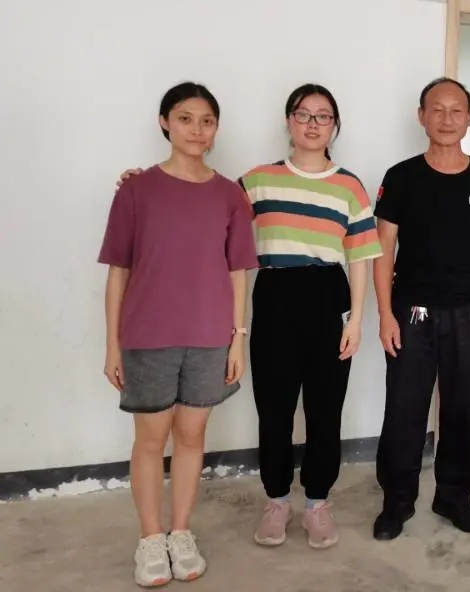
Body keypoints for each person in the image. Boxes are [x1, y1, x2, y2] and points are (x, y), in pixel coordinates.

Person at [114, 84, 381, 552]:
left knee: (326, 408)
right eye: (303, 114)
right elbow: (202, 203)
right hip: (274, 295)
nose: (313, 124)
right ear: (288, 121)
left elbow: (360, 256)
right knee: (274, 408)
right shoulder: (256, 181)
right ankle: (276, 500)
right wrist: (138, 184)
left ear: (335, 125)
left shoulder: (349, 186)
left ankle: (317, 503)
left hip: (327, 298)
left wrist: (357, 319)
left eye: (323, 116)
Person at [98, 82, 258, 588]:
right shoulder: (136, 190)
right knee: (150, 440)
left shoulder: (230, 194)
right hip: (147, 335)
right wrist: (112, 344)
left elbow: (238, 271)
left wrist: (237, 337)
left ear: (216, 129)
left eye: (207, 121)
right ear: (165, 122)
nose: (196, 129)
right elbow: (119, 271)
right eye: (185, 118)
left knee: (192, 437)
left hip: (209, 336)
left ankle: (180, 532)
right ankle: (150, 538)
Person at [372, 77, 470, 541]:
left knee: (460, 409)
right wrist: (384, 314)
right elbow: (383, 249)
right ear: (421, 116)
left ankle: (454, 497)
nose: (447, 119)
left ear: (469, 118)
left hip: (469, 311)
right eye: (437, 109)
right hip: (411, 312)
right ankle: (397, 501)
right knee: (404, 409)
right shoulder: (401, 177)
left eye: (456, 111)